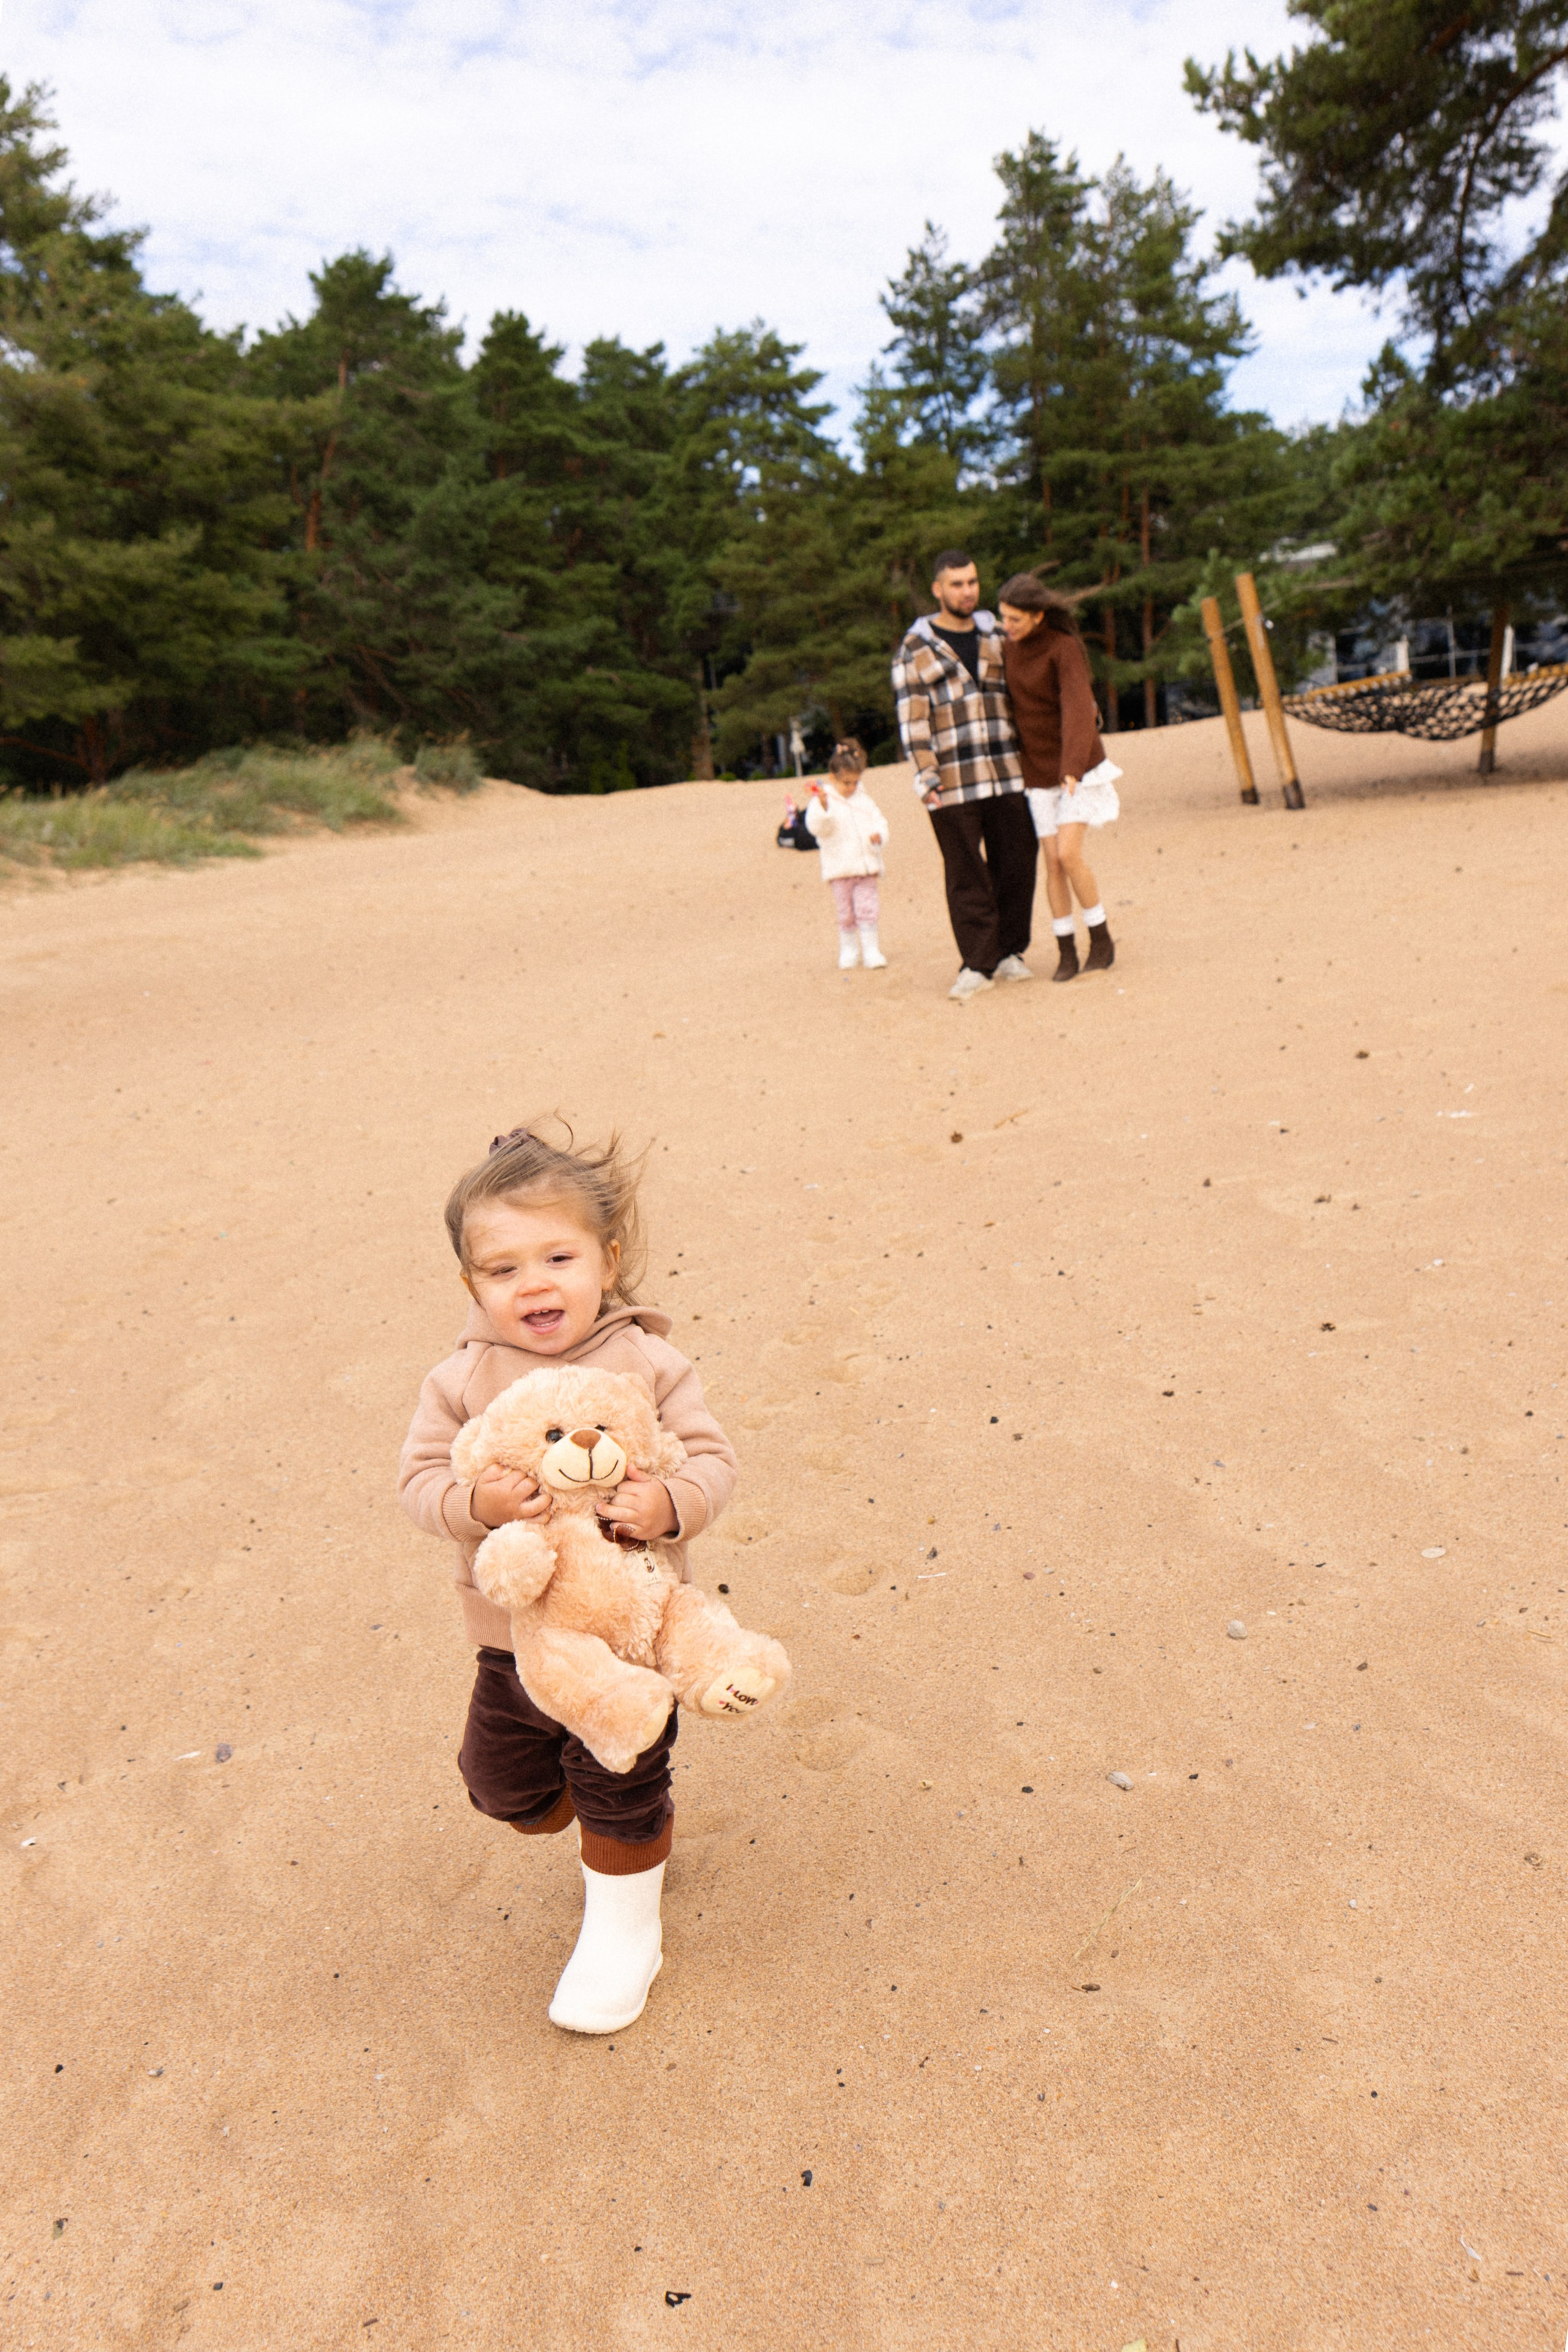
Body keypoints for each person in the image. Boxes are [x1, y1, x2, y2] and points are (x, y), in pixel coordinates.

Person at [398, 1123, 739, 2034]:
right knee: (498, 1783)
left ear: (608, 1258)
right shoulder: (461, 1379)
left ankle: (624, 1929)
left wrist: (668, 1504)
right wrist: (477, 1503)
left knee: (621, 1774)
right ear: (471, 1284)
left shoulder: (650, 1363)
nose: (534, 1283)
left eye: (558, 1255)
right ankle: (572, 1819)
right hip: (512, 1639)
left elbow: (710, 1461)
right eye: (502, 1269)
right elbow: (420, 1484)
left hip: (628, 1628)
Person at [891, 551, 1037, 1001]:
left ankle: (1011, 952)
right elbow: (913, 720)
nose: (967, 591)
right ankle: (978, 962)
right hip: (952, 778)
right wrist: (926, 776)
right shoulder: (915, 648)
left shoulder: (999, 632)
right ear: (938, 589)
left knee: (1017, 862)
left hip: (1007, 770)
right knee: (964, 871)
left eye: (972, 582)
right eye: (956, 584)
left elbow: (1027, 691)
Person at [996, 573, 1119, 981]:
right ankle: (1066, 950)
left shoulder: (1064, 649)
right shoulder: (1008, 651)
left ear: (1038, 616)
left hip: (1078, 768)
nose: (1007, 627)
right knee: (1051, 862)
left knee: (1068, 854)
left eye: (1015, 619)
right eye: (1004, 618)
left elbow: (1078, 710)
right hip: (1037, 772)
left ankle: (1100, 938)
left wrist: (1071, 767)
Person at [805, 743, 889, 969]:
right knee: (846, 913)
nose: (851, 787)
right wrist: (823, 809)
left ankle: (872, 950)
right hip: (840, 869)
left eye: (855, 782)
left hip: (866, 867)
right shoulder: (823, 800)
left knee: (868, 909)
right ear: (833, 778)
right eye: (846, 783)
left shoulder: (865, 799)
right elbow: (816, 829)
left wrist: (878, 836)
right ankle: (849, 950)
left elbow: (879, 821)